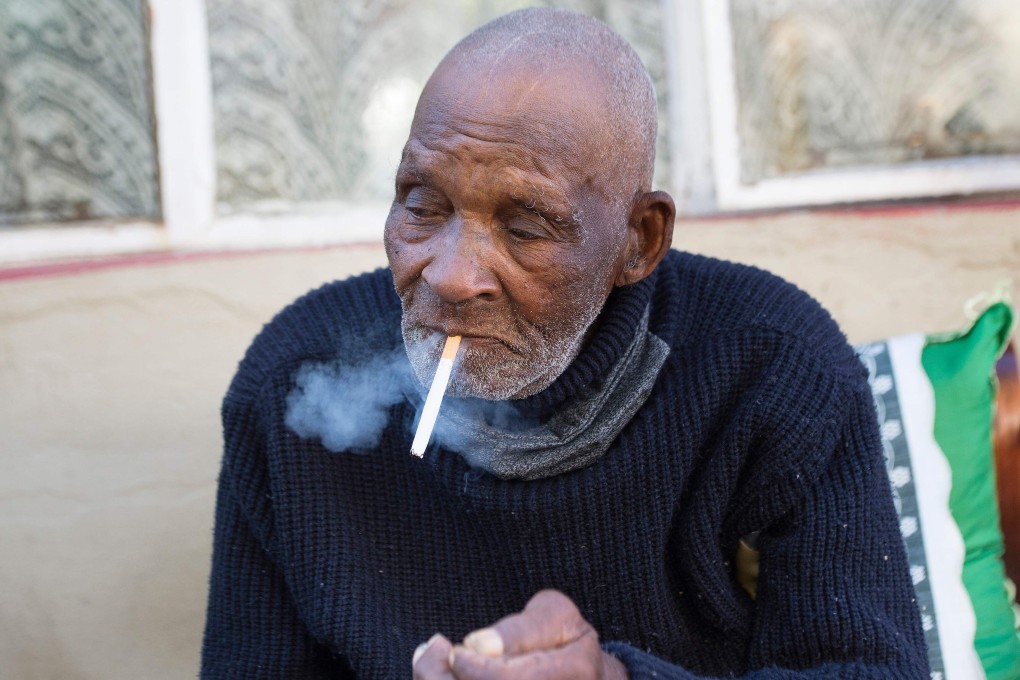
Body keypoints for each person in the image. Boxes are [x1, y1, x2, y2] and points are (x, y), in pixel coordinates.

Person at [201, 8, 929, 679]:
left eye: (525, 228)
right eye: (423, 206)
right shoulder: (290, 387)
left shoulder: (770, 371)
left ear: (638, 241)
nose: (451, 277)